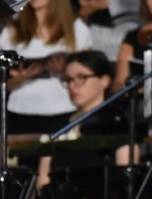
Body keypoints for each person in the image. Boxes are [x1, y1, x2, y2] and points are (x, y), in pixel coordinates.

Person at [0, 0, 93, 135]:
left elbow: (90, 72)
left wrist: (64, 71)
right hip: (21, 110)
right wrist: (21, 77)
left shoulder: (76, 29)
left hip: (63, 109)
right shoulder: (12, 30)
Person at [37, 50, 134, 195]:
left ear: (104, 81)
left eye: (81, 77)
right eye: (68, 79)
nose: (72, 86)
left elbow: (125, 181)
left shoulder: (117, 123)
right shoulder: (58, 125)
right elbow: (42, 179)